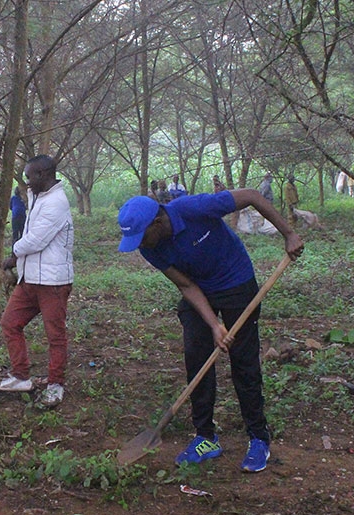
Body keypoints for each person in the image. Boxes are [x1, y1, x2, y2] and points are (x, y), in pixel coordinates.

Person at [117, 189, 304, 472]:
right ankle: (205, 437)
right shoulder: (150, 247)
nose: (139, 245)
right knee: (197, 355)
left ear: (156, 222)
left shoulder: (194, 208)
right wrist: (214, 325)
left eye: (140, 236)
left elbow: (253, 196)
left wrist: (288, 233)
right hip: (198, 288)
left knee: (244, 362)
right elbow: (186, 286)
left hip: (235, 282)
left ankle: (258, 438)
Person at [0, 155, 74, 408]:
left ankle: (55, 385)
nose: (27, 182)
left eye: (30, 176)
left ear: (43, 174)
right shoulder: (38, 197)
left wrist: (13, 254)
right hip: (30, 279)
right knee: (10, 323)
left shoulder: (56, 203)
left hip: (52, 282)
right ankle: (21, 376)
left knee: (55, 335)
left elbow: (36, 239)